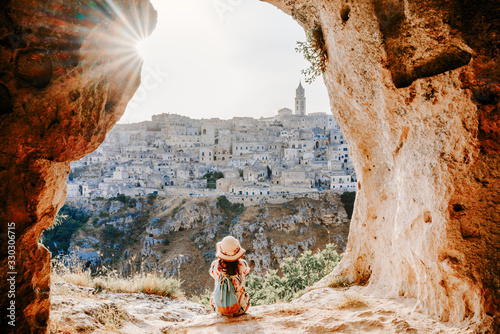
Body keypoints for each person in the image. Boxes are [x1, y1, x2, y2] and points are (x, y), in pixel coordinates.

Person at [209, 236, 251, 316]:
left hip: (220, 307)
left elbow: (213, 274)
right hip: (240, 308)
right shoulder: (243, 264)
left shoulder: (215, 265)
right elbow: (246, 273)